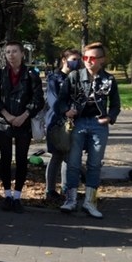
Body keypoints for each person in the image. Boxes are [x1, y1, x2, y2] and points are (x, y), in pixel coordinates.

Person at [57, 42, 121, 218]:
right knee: (73, 163)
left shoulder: (109, 79)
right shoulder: (74, 76)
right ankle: (70, 200)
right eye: (85, 58)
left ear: (102, 60)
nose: (88, 61)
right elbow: (61, 101)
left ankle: (90, 202)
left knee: (94, 164)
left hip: (98, 125)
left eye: (92, 58)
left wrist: (109, 117)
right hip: (78, 123)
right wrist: (66, 110)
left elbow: (116, 104)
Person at [0, 40, 44, 213]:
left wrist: (24, 115)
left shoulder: (32, 75)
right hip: (3, 123)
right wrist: (8, 115)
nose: (11, 55)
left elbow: (38, 99)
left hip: (23, 123)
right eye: (8, 52)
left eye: (14, 51)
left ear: (22, 54)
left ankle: (18, 196)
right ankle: (7, 195)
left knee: (21, 160)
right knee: (5, 159)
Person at [43, 48, 81, 203]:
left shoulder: (78, 78)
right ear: (64, 60)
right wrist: (66, 111)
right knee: (57, 156)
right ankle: (50, 191)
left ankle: (66, 189)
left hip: (73, 123)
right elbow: (53, 101)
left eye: (79, 59)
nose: (77, 62)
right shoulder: (55, 78)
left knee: (69, 156)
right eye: (73, 59)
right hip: (56, 124)